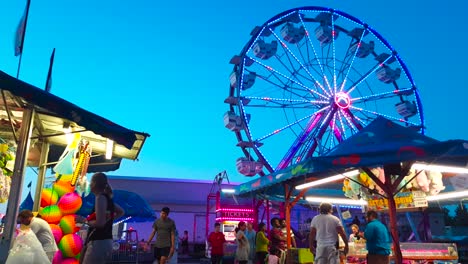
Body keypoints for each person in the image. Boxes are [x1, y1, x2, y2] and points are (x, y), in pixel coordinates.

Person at [81, 172, 125, 264]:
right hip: (106, 241)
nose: (89, 184)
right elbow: (121, 212)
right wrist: (108, 219)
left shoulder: (100, 198)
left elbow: (99, 224)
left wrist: (84, 221)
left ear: (95, 184)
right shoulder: (107, 198)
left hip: (98, 242)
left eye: (91, 182)